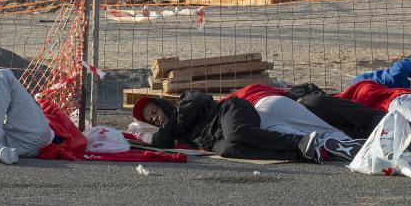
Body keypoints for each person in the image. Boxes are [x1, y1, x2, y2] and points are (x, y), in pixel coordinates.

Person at [134, 84, 364, 162]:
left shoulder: (184, 103)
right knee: (228, 150)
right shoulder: (176, 132)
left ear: (162, 104)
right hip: (215, 138)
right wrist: (170, 127)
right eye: (149, 118)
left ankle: (301, 141)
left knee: (236, 133)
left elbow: (199, 100)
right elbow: (158, 143)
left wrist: (174, 119)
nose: (154, 117)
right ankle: (304, 151)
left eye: (154, 110)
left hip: (230, 111)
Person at [337, 80, 411, 152]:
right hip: (406, 101)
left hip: (400, 101)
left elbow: (365, 103)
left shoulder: (362, 88)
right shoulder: (366, 87)